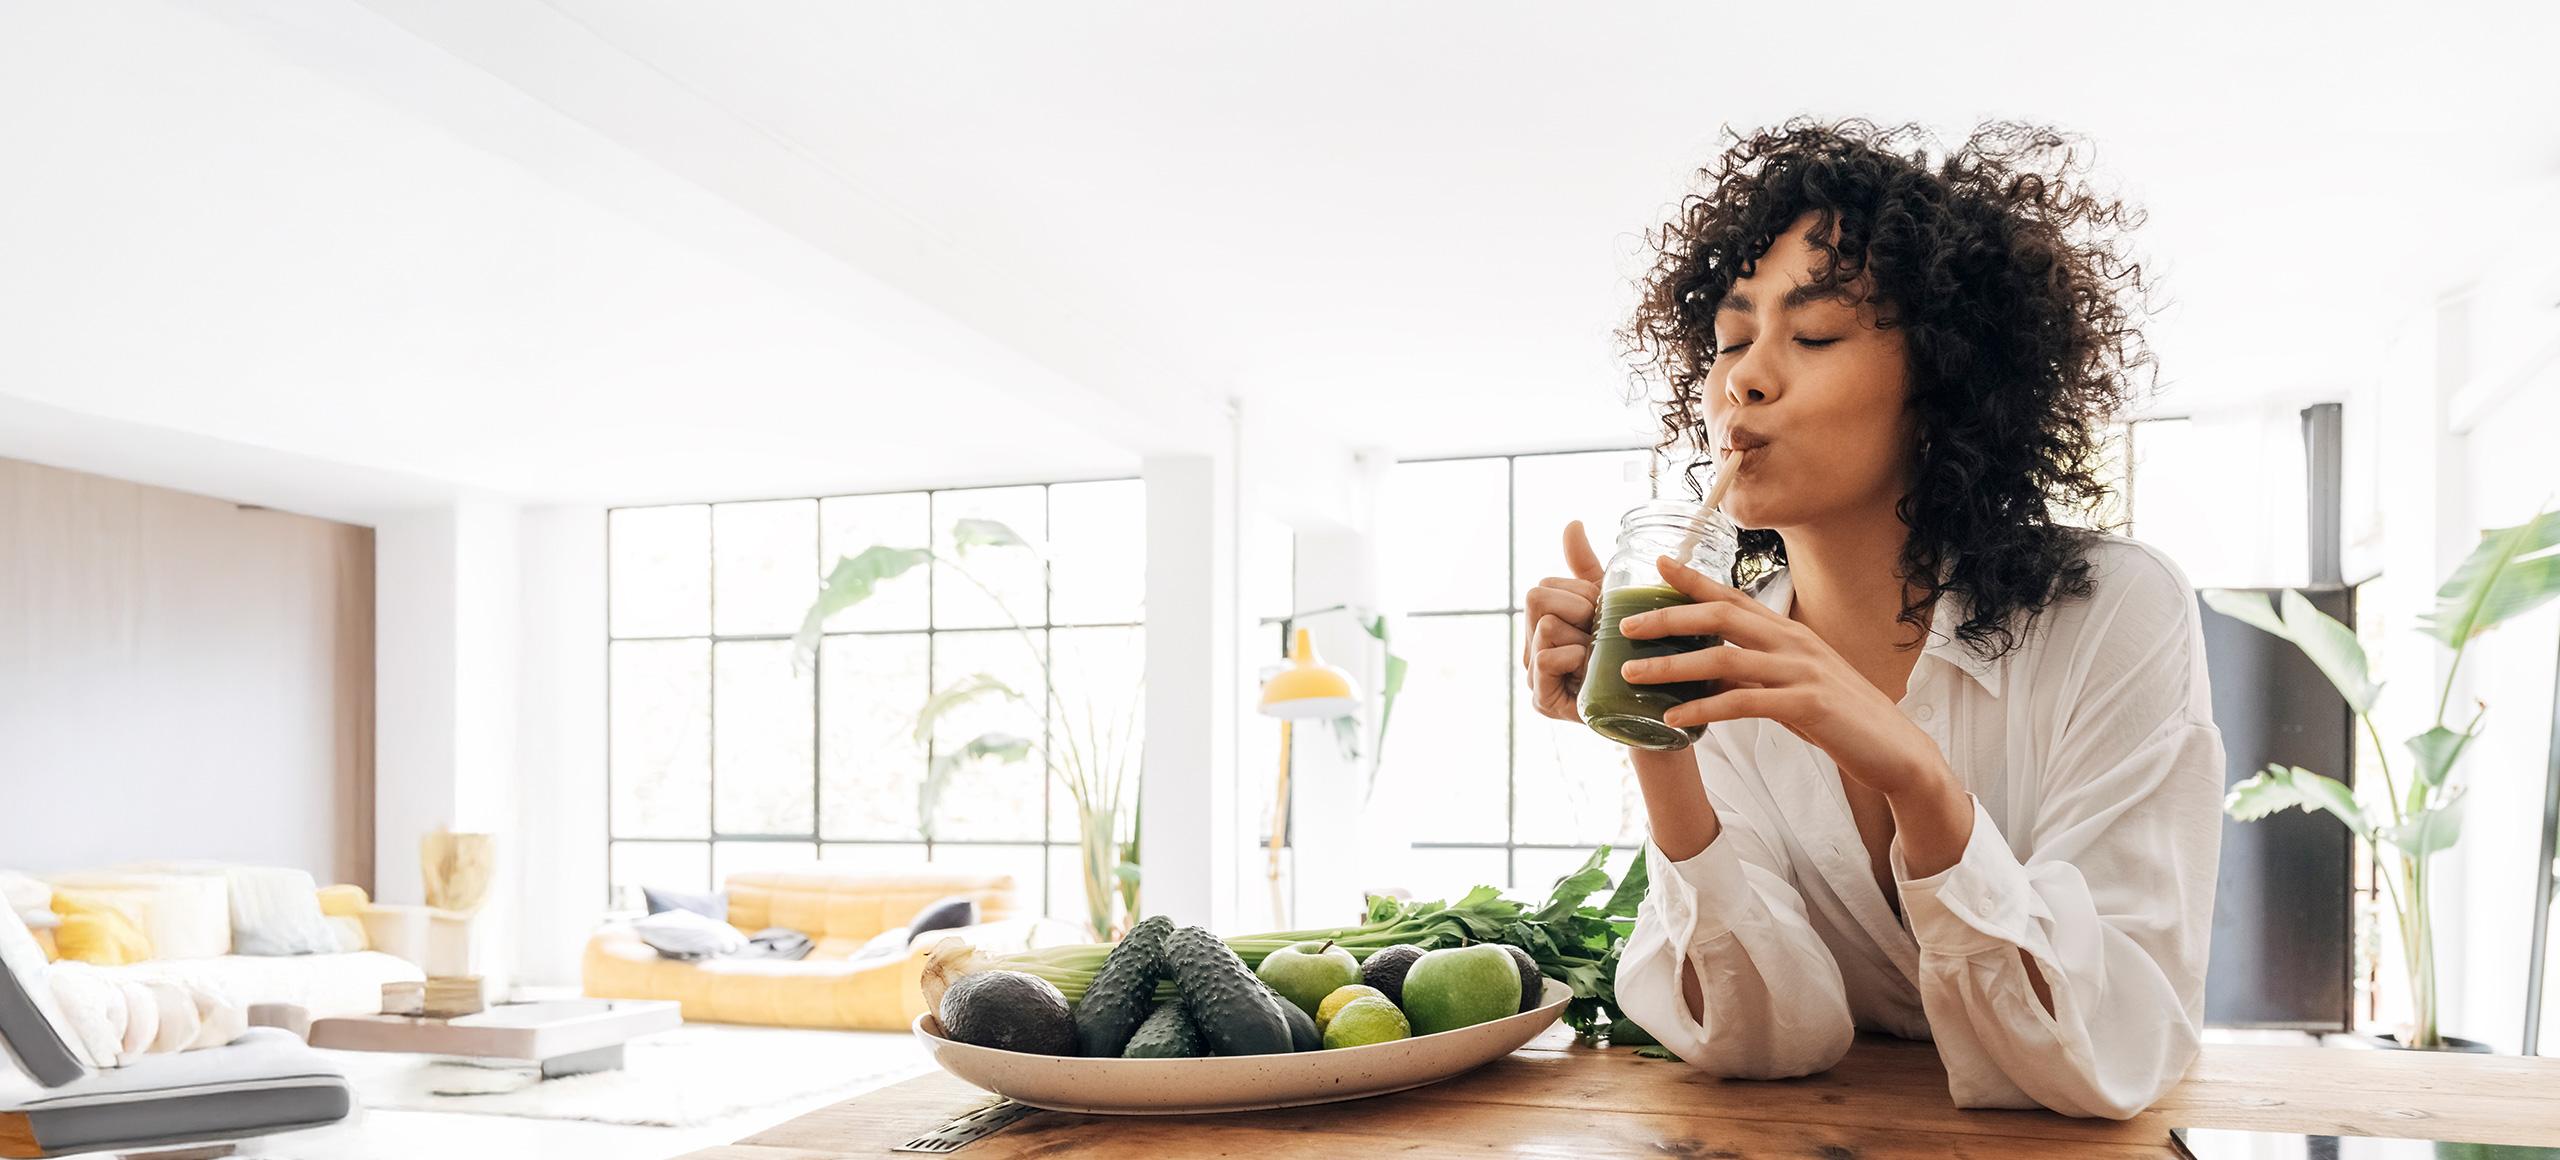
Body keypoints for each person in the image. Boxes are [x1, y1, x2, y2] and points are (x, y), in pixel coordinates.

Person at [1522, 118, 2225, 1119]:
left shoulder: (2113, 612)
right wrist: (1656, 732)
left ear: (1940, 379)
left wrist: (1916, 775)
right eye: (1730, 339)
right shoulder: (1716, 646)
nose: (1743, 377)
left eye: (1811, 335)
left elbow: (2114, 1047)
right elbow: (1760, 1039)